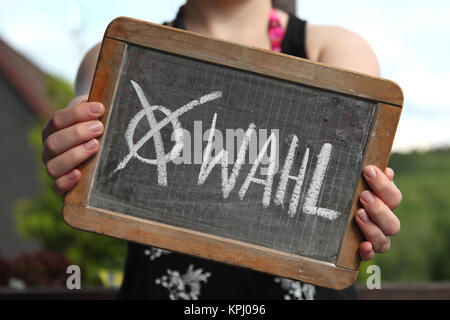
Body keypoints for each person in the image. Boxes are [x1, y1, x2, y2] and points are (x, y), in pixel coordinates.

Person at [41, 0, 402, 299]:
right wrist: (73, 140)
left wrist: (370, 211)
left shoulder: (334, 50)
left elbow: (360, 148)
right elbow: (91, 96)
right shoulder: (125, 51)